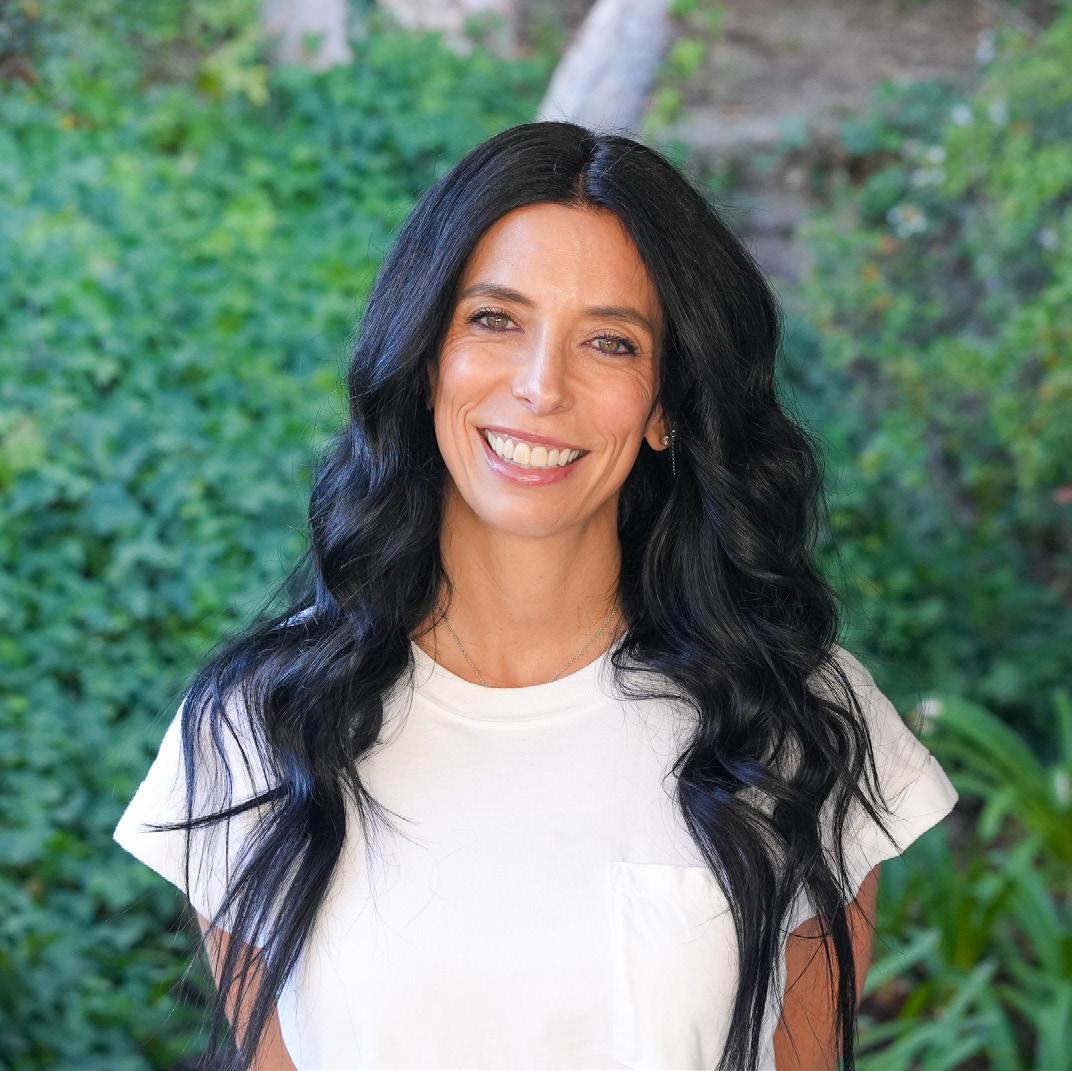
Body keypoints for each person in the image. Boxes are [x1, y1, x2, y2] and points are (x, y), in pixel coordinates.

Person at [112, 120, 959, 1071]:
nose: (541, 386)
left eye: (610, 341)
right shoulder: (258, 728)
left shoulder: (796, 716)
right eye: (495, 320)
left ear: (666, 407)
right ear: (425, 355)